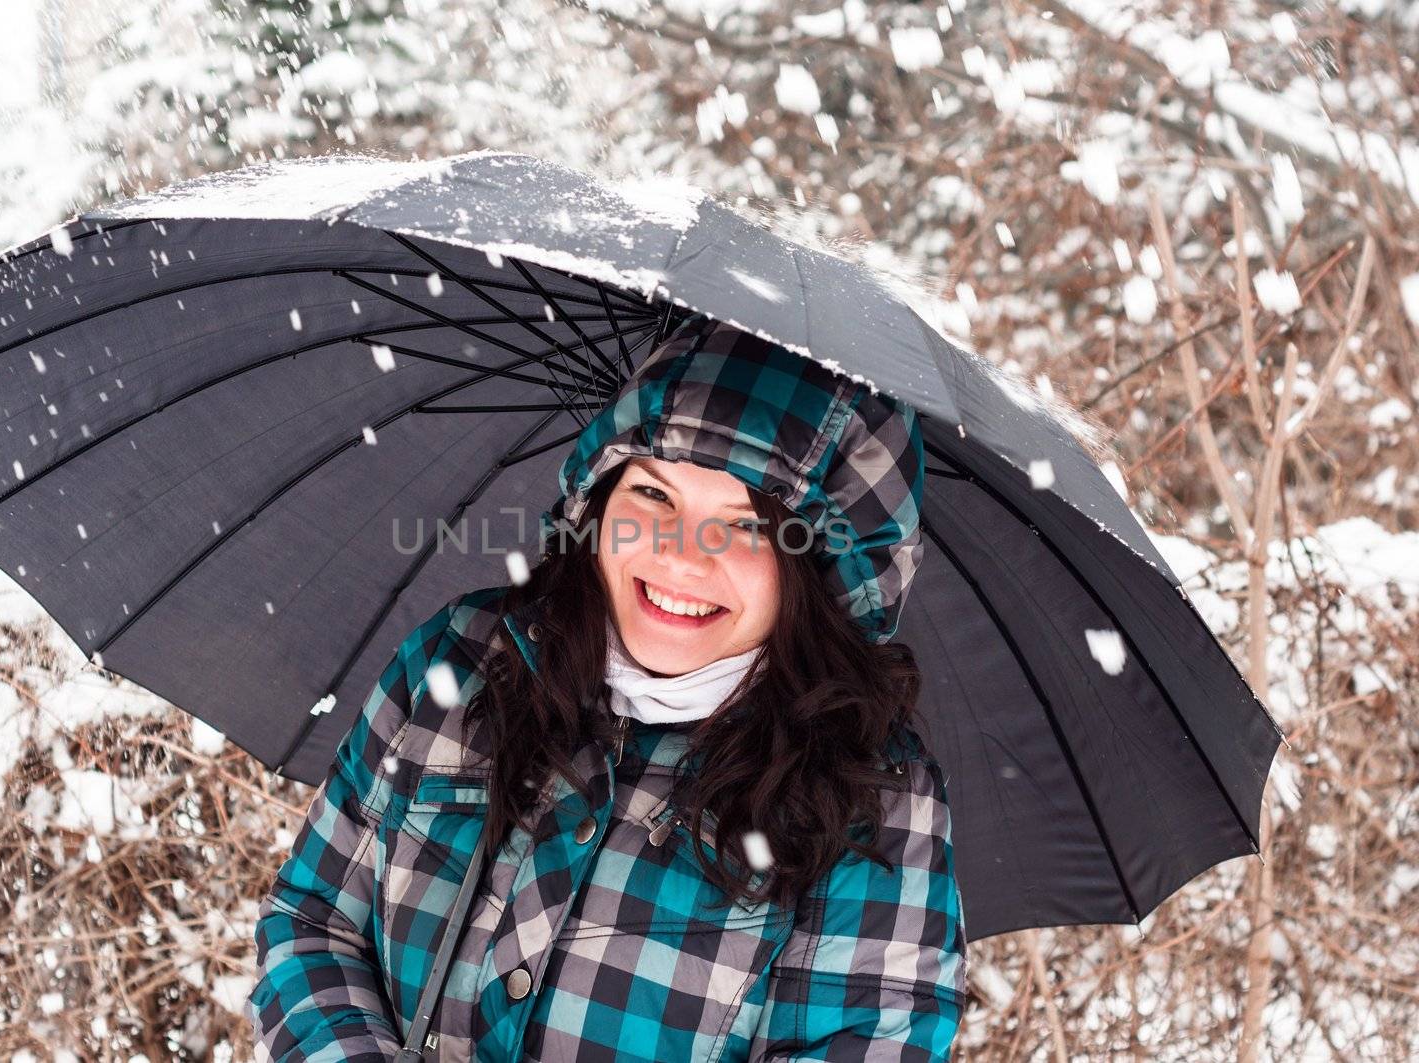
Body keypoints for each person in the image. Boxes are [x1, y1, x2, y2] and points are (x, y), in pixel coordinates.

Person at [248, 311, 967, 1061]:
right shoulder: (462, 662)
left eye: (749, 525)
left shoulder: (872, 799)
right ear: (598, 499)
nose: (681, 557)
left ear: (820, 570)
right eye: (655, 496)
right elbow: (314, 919)